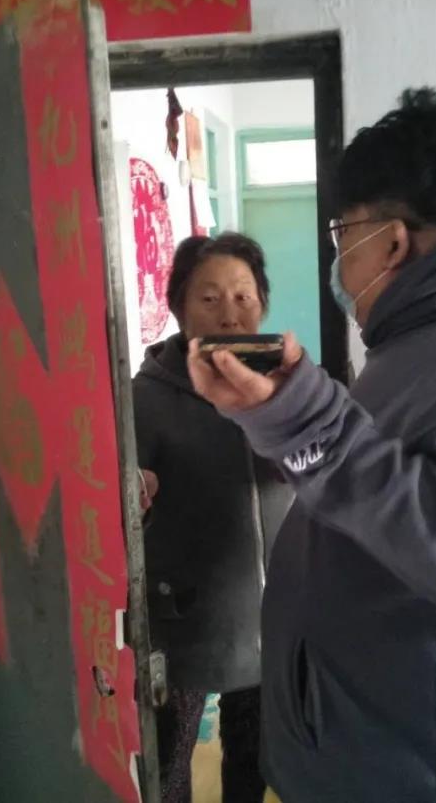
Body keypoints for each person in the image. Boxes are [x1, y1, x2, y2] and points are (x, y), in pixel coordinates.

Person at [186, 87, 436, 802]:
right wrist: (287, 414)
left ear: (393, 241)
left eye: (343, 234)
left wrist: (310, 423)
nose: (339, 259)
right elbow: (389, 488)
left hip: (427, 779)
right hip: (375, 756)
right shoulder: (434, 342)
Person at [133, 232, 293, 803]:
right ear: (178, 307)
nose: (230, 314)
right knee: (169, 765)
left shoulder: (287, 389)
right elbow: (120, 503)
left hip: (271, 619)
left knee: (254, 759)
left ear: (263, 304)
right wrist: (135, 496)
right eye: (209, 298)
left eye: (243, 296)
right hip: (183, 622)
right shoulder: (145, 397)